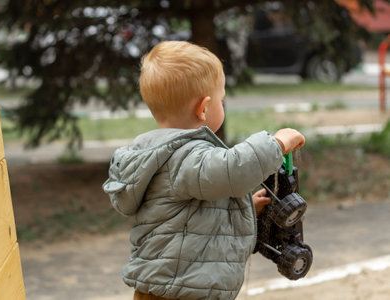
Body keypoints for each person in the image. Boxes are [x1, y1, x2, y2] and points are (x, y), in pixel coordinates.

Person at [102, 41, 305, 300]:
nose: (223, 105)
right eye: (222, 100)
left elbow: (191, 217)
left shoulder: (160, 156)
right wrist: (275, 143)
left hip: (167, 288)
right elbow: (233, 169)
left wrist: (241, 209)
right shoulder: (186, 156)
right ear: (204, 108)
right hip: (181, 292)